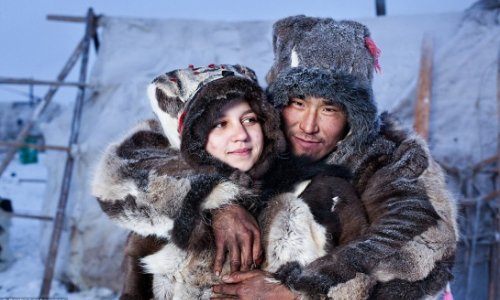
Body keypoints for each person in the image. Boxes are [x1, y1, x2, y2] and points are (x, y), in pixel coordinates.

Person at [210, 16, 458, 300]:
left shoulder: (387, 160)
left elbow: (421, 244)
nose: (308, 125)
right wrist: (220, 201)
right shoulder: (247, 134)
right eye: (298, 103)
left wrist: (295, 292)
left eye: (329, 109)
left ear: (352, 117)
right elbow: (158, 160)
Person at [92, 64, 369, 299]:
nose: (241, 135)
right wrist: (218, 202)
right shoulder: (169, 215)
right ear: (196, 139)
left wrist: (292, 293)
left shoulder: (325, 194)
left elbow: (363, 282)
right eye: (220, 124)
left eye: (249, 119)